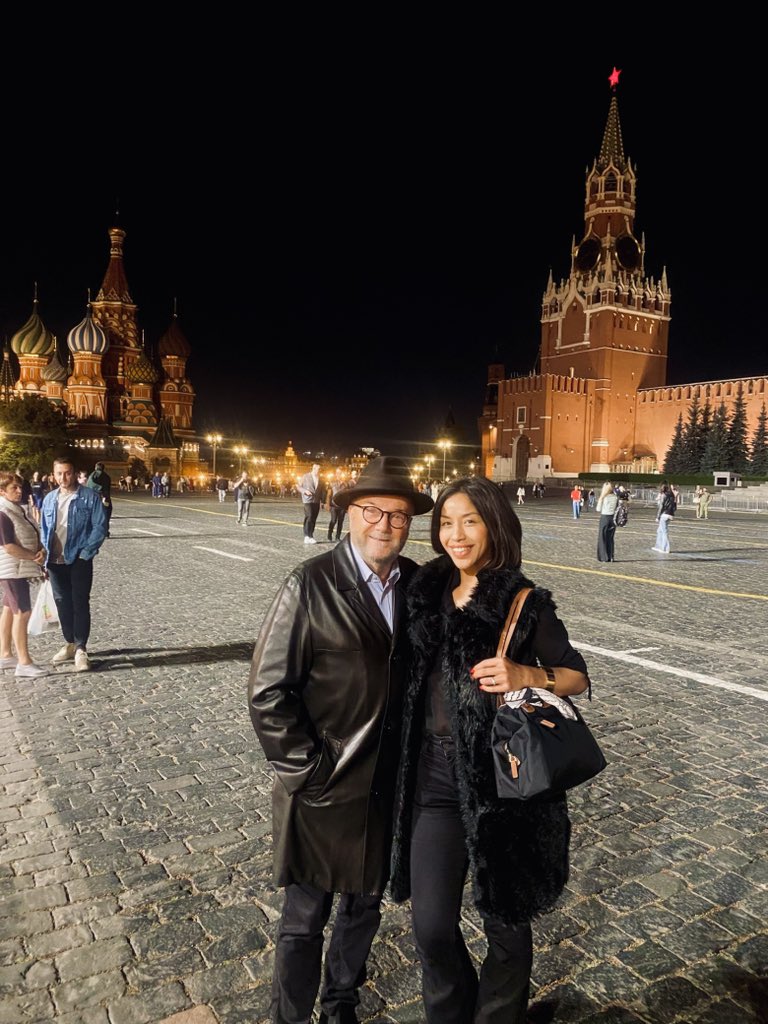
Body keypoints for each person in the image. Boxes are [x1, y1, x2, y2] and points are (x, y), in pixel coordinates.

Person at [389, 476, 590, 1023]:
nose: (456, 535)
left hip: (505, 784)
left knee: (506, 922)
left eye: (470, 521)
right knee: (431, 926)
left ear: (494, 525)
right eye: (447, 523)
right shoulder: (424, 594)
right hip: (432, 779)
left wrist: (527, 672)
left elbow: (576, 677)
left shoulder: (523, 603)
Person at [249, 456, 433, 1024]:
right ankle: (290, 1016)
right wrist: (309, 771)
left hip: (385, 785)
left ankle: (340, 1005)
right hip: (324, 789)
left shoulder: (418, 585)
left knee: (364, 908)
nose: (385, 525)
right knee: (304, 919)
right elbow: (268, 692)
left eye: (398, 516)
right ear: (350, 515)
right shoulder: (310, 584)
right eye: (372, 510)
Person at [40, 457, 108, 672]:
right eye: (59, 473)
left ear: (75, 473)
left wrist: (86, 553)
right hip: (55, 560)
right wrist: (44, 558)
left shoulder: (89, 497)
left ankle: (81, 648)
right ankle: (69, 642)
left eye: (67, 473)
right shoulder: (49, 499)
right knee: (62, 602)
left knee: (80, 602)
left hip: (79, 557)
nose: (63, 478)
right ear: (53, 474)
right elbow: (44, 529)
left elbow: (100, 526)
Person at [0, 472, 48, 678]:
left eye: (20, 487)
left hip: (16, 568)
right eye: (14, 488)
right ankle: (24, 662)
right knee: (23, 612)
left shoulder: (16, 510)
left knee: (9, 609)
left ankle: (5, 653)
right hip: (13, 569)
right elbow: (9, 546)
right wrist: (34, 557)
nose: (19, 491)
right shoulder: (3, 513)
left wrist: (40, 549)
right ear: (2, 492)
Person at [86, 461, 113, 538]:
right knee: (106, 514)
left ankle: (93, 531)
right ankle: (105, 531)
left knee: (93, 515)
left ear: (96, 467)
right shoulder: (107, 476)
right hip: (105, 498)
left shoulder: (92, 475)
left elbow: (88, 486)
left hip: (93, 498)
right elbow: (107, 488)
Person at [299, 462, 322, 545]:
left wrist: (322, 502)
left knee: (314, 518)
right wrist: (305, 491)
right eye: (317, 469)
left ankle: (311, 535)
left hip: (316, 501)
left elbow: (322, 491)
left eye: (319, 469)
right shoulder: (306, 476)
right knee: (309, 516)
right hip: (307, 500)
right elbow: (298, 486)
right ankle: (306, 536)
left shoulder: (320, 478)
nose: (318, 471)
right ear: (313, 468)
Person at [595, 481, 619, 562]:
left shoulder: (603, 497)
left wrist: (600, 500)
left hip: (605, 517)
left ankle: (604, 557)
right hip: (612, 518)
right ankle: (611, 556)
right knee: (610, 538)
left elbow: (598, 509)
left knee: (602, 538)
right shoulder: (615, 497)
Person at [653, 482, 676, 554]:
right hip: (670, 514)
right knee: (659, 530)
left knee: (664, 531)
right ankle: (658, 546)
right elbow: (674, 505)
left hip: (664, 514)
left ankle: (665, 548)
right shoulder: (672, 495)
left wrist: (658, 517)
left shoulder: (664, 495)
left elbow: (661, 506)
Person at [325, 475, 348, 542]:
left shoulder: (345, 484)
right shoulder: (332, 483)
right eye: (339, 474)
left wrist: (347, 506)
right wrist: (328, 504)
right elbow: (329, 495)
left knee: (340, 522)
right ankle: (329, 535)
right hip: (333, 505)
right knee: (333, 520)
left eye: (341, 474)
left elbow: (347, 496)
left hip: (342, 506)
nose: (340, 476)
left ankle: (337, 537)